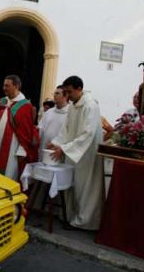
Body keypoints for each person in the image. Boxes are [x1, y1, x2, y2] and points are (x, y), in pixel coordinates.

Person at [47, 76, 104, 230]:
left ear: (79, 89)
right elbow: (66, 129)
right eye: (65, 91)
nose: (67, 95)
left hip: (86, 155)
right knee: (71, 185)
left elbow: (88, 134)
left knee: (84, 188)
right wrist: (57, 142)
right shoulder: (72, 106)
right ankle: (69, 215)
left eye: (69, 92)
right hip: (74, 153)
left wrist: (64, 148)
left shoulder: (90, 106)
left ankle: (83, 221)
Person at [38, 86, 69, 160]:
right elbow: (41, 128)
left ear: (65, 96)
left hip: (58, 151)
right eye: (54, 93)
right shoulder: (49, 112)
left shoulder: (69, 114)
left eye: (57, 93)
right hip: (45, 147)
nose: (54, 95)